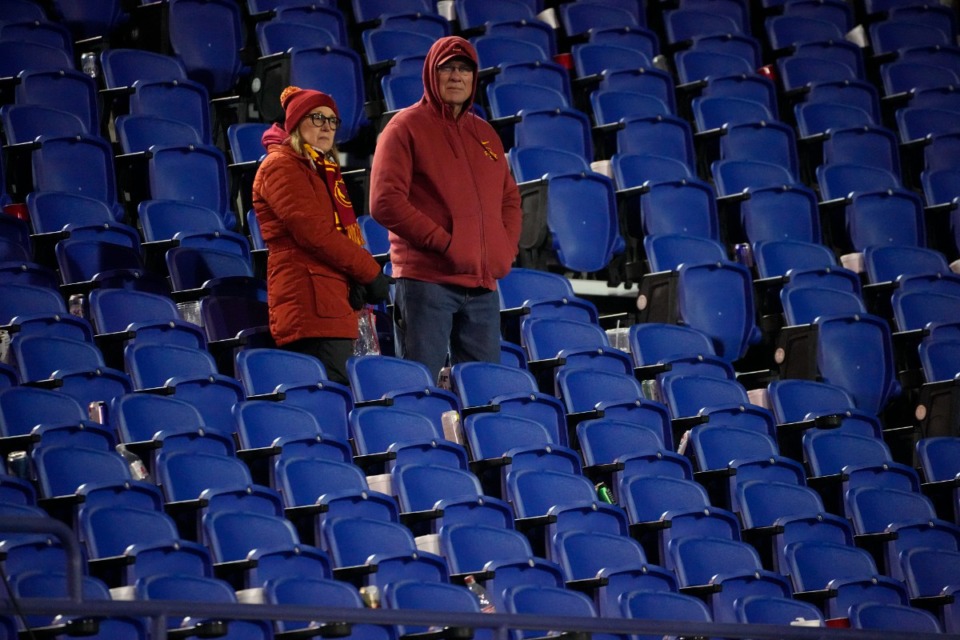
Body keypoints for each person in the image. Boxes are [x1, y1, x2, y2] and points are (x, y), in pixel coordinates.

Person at [369, 36, 522, 382]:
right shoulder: (404, 127)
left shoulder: (485, 134)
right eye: (448, 68)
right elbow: (384, 202)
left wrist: (503, 248)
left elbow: (510, 199)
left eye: (464, 69)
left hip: (482, 286)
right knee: (419, 389)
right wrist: (446, 244)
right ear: (430, 75)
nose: (457, 76)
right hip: (427, 282)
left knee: (485, 394)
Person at [252, 85, 392, 385]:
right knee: (331, 399)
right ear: (295, 124)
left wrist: (355, 279)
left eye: (332, 120)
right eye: (317, 118)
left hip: (330, 302)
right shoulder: (281, 166)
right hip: (309, 307)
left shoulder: (320, 168)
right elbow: (316, 234)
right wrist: (369, 272)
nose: (327, 126)